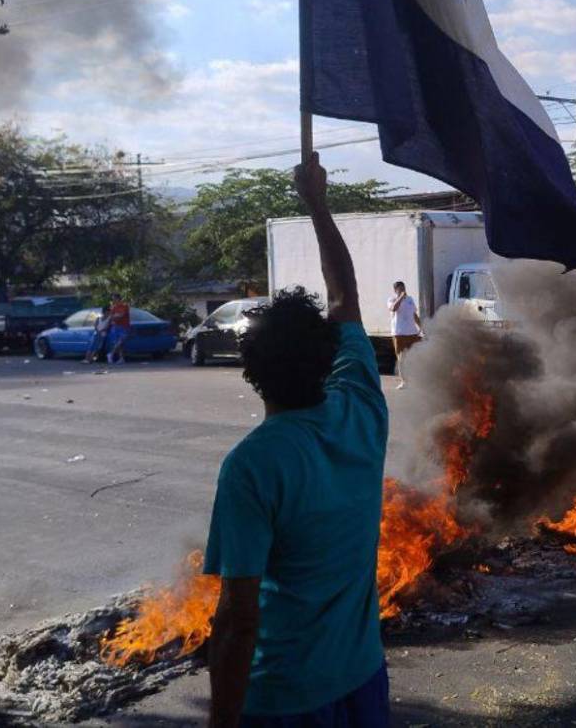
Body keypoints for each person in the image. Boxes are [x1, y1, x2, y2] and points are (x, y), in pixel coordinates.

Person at [202, 151, 390, 728]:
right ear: (327, 355)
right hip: (363, 678)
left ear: (249, 371)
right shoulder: (362, 405)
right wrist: (317, 203)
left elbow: (238, 617)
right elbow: (345, 299)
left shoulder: (254, 465)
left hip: (284, 697)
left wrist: (222, 721)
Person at [386, 280, 422, 390]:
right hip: (399, 333)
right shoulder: (391, 299)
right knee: (401, 358)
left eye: (403, 288)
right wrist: (400, 297)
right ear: (395, 290)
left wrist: (421, 326)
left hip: (412, 333)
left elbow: (414, 314)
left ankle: (416, 380)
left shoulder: (410, 300)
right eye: (400, 288)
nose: (403, 290)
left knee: (414, 357)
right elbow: (393, 308)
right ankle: (404, 381)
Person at [106, 294, 131, 364]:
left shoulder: (124, 306)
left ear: (119, 299)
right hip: (116, 326)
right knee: (120, 343)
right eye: (112, 299)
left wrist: (115, 316)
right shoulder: (114, 307)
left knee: (121, 341)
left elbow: (121, 315)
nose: (113, 300)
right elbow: (111, 317)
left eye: (114, 298)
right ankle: (121, 358)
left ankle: (111, 354)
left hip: (124, 326)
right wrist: (115, 316)